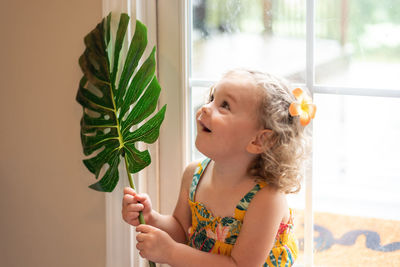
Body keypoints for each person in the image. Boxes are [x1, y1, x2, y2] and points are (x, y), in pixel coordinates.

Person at [122, 69, 315, 267]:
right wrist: (150, 217)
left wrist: (171, 253)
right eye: (212, 97)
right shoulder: (193, 175)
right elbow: (181, 231)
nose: (205, 107)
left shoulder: (266, 199)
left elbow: (239, 265)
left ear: (259, 139)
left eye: (224, 105)